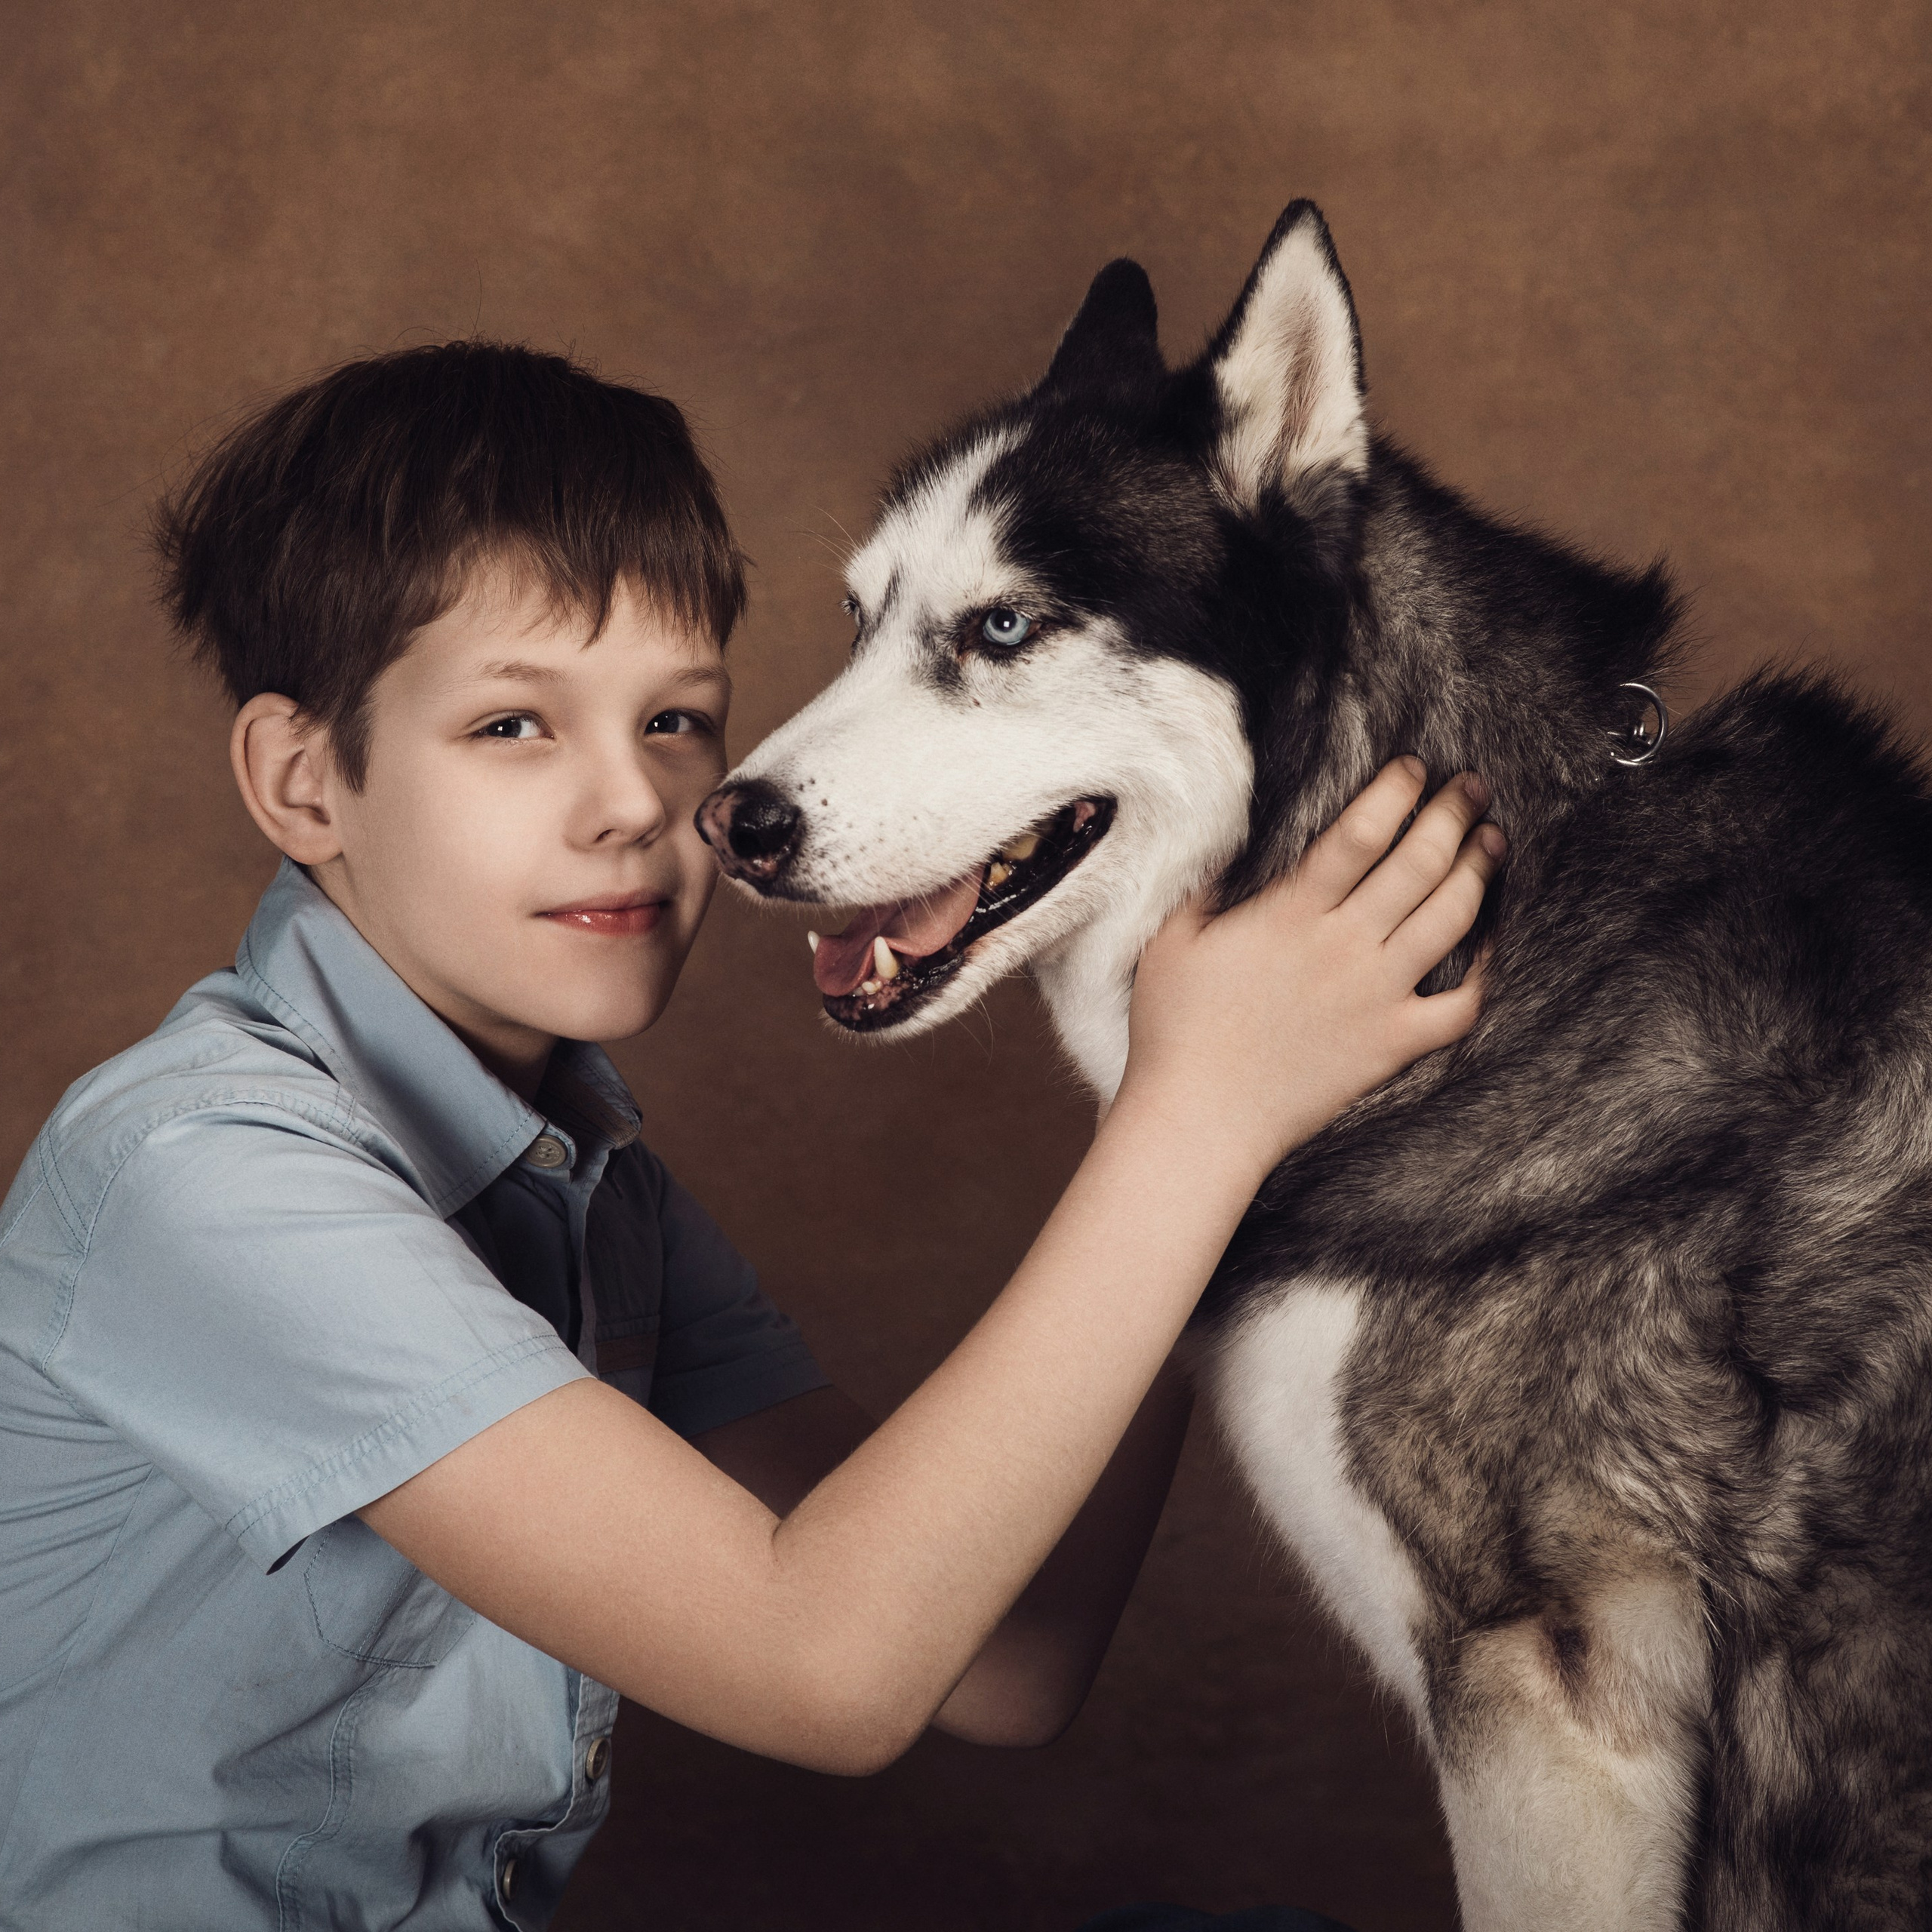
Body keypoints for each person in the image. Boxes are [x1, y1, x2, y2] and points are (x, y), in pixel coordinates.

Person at [0, 342, 1503, 1931]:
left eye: (676, 720)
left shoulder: (591, 1189)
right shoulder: (205, 1173)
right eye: (513, 726)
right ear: (305, 783)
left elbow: (1007, 1659)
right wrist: (1199, 1114)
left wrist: (1231, 1115)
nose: (636, 806)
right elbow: (826, 1667)